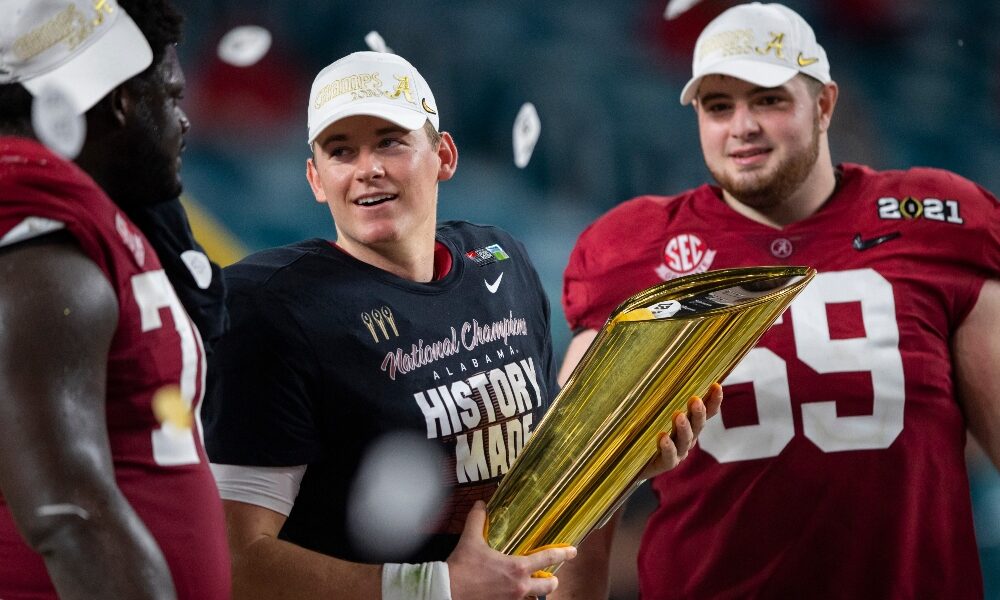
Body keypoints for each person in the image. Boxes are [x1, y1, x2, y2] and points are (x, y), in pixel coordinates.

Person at [202, 50, 721, 599]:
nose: (367, 167)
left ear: (443, 155)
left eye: (389, 141)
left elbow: (531, 484)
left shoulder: (500, 260)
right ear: (314, 177)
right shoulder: (271, 308)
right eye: (340, 151)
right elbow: (233, 562)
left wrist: (619, 470)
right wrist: (436, 587)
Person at [554, 3, 1000, 599]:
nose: (742, 126)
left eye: (768, 99)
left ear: (823, 105)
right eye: (719, 106)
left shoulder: (935, 221)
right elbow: (573, 495)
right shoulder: (633, 249)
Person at [0, 1, 230, 598]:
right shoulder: (37, 239)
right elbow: (68, 518)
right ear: (122, 98)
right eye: (171, 96)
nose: (184, 120)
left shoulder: (93, 219)